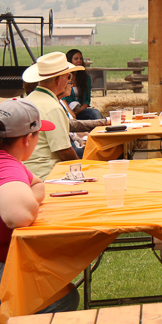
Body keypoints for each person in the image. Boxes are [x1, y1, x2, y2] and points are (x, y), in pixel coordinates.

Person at [0, 98, 80, 314]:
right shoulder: (7, 164)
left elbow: (38, 186)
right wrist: (27, 205)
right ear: (28, 139)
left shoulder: (12, 163)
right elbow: (19, 215)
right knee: (63, 298)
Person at [22, 52, 82, 179]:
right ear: (59, 80)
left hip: (27, 172)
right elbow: (64, 150)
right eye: (68, 77)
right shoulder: (52, 107)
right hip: (49, 174)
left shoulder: (29, 99)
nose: (69, 81)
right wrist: (80, 168)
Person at [61, 49, 103, 121]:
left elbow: (86, 100)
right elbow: (62, 99)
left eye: (81, 59)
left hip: (80, 109)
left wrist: (78, 111)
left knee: (95, 113)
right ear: (69, 60)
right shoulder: (64, 77)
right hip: (65, 109)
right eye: (76, 59)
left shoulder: (86, 78)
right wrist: (70, 112)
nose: (79, 61)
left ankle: (101, 129)